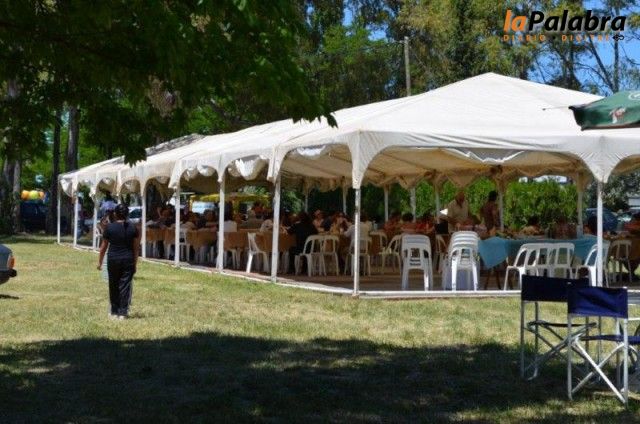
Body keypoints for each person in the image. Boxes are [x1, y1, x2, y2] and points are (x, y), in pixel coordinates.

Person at [97, 204, 139, 319]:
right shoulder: (133, 228)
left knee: (113, 284)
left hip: (113, 259)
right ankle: (123, 312)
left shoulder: (109, 228)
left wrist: (100, 262)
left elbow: (103, 247)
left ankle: (114, 311)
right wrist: (135, 264)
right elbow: (136, 248)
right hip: (128, 259)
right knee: (125, 286)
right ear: (127, 214)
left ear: (115, 214)